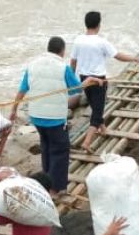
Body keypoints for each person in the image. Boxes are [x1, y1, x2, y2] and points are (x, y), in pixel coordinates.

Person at [11, 36, 96, 193]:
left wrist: (13, 110)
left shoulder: (32, 65)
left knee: (46, 146)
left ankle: (46, 183)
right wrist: (89, 81)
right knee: (60, 150)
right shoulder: (63, 67)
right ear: (62, 51)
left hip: (36, 116)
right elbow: (76, 90)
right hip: (55, 119)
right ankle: (56, 188)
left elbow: (22, 89)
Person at [71, 11, 139, 153]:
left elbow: (73, 61)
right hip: (98, 81)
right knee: (98, 110)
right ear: (98, 25)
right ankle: (87, 142)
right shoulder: (101, 42)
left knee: (95, 106)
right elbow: (117, 56)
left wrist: (71, 79)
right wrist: (134, 58)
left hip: (84, 79)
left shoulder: (78, 40)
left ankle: (102, 128)